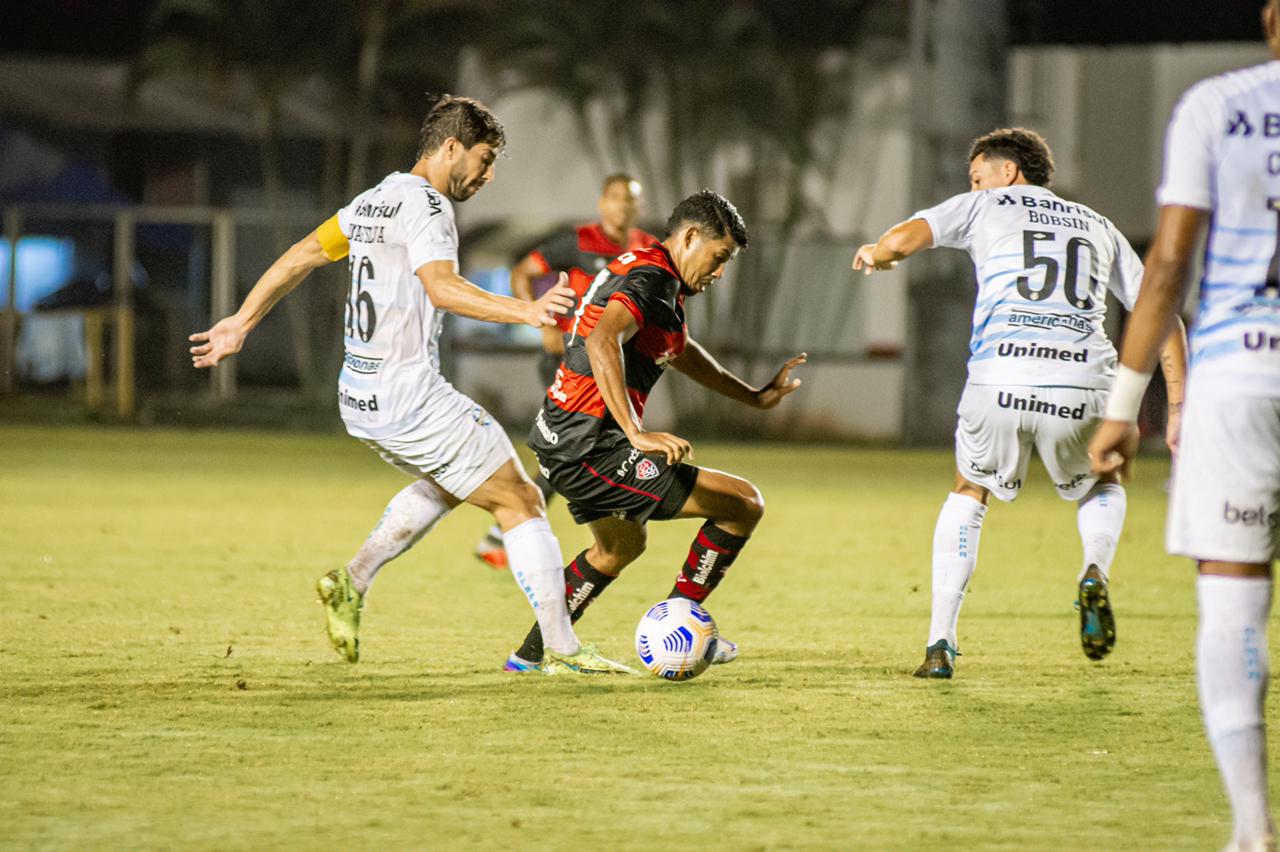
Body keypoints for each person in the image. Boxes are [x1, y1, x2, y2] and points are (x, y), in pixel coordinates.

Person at [189, 94, 627, 675]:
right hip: (408, 394)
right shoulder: (428, 206)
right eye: (485, 158)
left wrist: (241, 321)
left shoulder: (376, 199)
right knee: (520, 498)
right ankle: (563, 651)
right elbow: (443, 288)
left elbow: (300, 255)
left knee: (452, 482)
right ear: (451, 148)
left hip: (361, 396)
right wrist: (531, 312)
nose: (489, 175)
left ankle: (353, 579)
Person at [853, 127, 1186, 679]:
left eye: (978, 173)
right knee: (1104, 481)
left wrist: (879, 253)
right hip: (1084, 386)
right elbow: (1163, 314)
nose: (975, 183)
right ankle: (1094, 570)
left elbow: (906, 236)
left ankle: (940, 642)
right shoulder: (1099, 226)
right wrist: (1177, 408)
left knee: (969, 489)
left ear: (1009, 171)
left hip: (998, 379)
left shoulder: (983, 206)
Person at [1089, 5, 1280, 847]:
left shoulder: (1217, 105)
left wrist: (1128, 407)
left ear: (1272, 18)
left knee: (1235, 599)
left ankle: (1252, 827)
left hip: (1242, 374)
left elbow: (1167, 265)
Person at [502, 189, 807, 672]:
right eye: (719, 256)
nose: (720, 271)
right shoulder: (652, 276)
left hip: (562, 438)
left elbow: (679, 350)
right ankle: (682, 621)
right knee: (743, 504)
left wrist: (753, 395)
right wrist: (635, 432)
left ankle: (531, 655)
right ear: (689, 237)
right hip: (589, 445)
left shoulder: (653, 273)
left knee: (619, 547)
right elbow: (604, 339)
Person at [473, 173, 658, 568]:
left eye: (631, 199)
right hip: (568, 362)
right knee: (574, 451)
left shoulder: (647, 248)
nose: (623, 205)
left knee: (586, 452)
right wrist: (542, 324)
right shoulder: (577, 241)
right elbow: (523, 272)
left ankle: (510, 532)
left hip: (610, 365)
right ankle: (508, 532)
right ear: (602, 203)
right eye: (616, 197)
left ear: (639, 207)